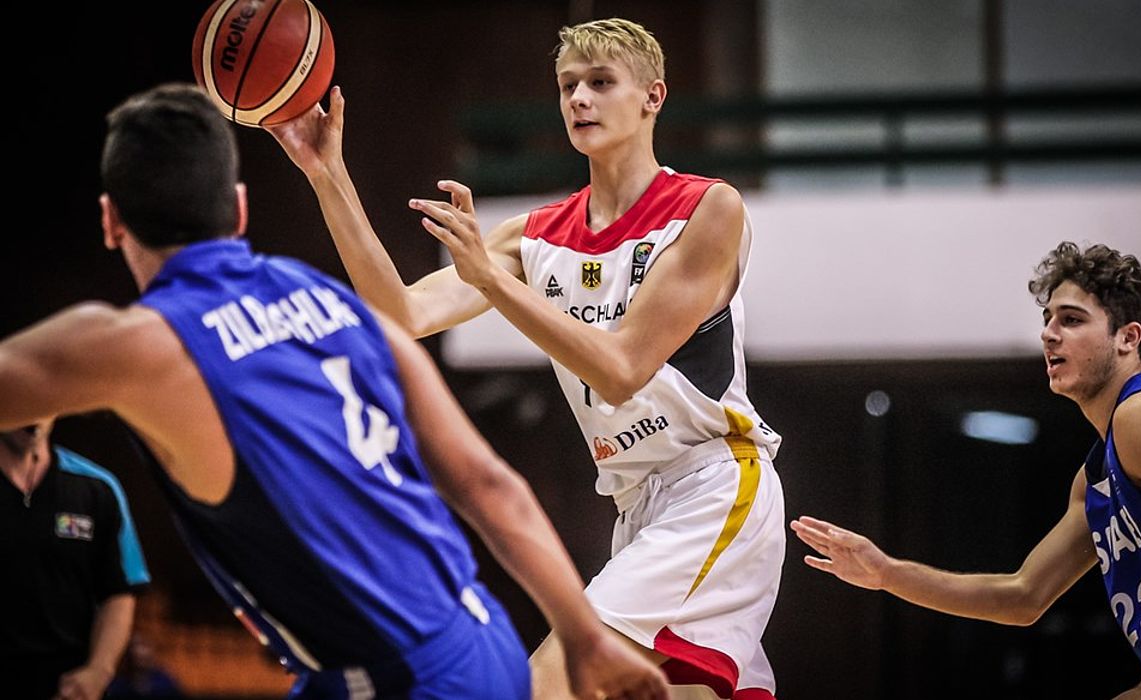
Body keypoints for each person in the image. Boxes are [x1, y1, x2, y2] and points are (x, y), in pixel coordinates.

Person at [0, 83, 667, 700]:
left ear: (111, 220)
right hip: (482, 639)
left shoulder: (129, 344)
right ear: (238, 209)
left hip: (401, 681)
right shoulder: (324, 295)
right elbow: (489, 485)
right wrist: (581, 637)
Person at [269, 16, 785, 700]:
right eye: (569, 85)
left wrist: (492, 281)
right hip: (635, 509)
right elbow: (402, 313)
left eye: (601, 83)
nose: (579, 99)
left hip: (714, 488)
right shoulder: (535, 236)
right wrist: (327, 174)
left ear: (653, 97)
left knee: (544, 684)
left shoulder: (706, 209)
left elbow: (622, 368)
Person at [793, 242, 1141, 699]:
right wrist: (887, 573)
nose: (1049, 334)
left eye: (1071, 319)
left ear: (1128, 337)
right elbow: (1022, 596)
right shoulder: (1095, 476)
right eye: (1047, 320)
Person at [1, 420, 150, 700]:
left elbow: (119, 592)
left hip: (65, 688)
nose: (34, 414)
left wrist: (98, 672)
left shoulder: (98, 488)